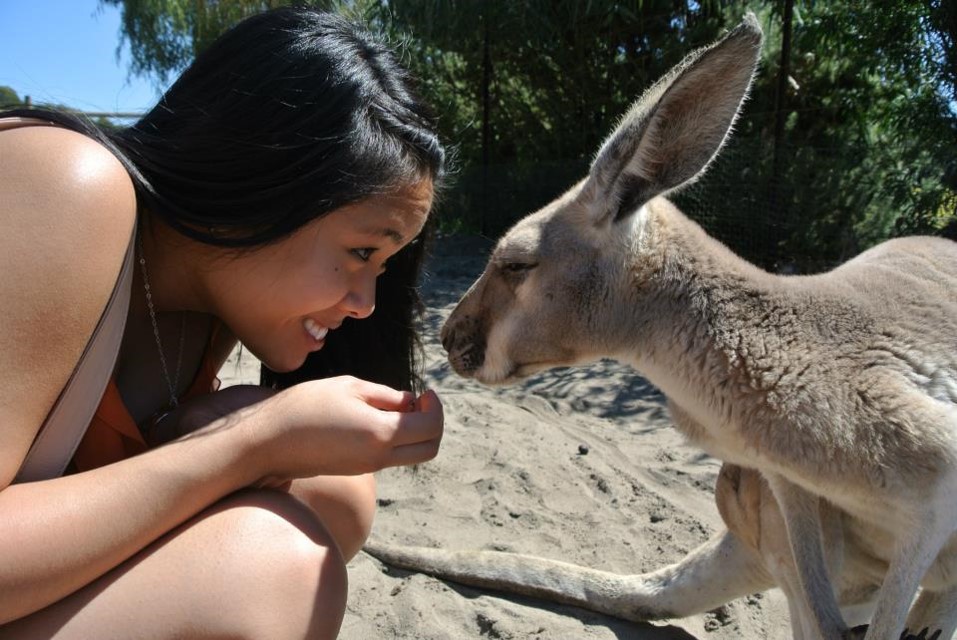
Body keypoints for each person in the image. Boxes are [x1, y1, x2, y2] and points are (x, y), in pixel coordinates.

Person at [0, 7, 445, 639]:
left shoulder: (214, 303)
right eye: (362, 252)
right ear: (266, 179)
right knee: (273, 567)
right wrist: (248, 442)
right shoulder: (68, 184)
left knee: (336, 495)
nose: (367, 303)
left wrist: (195, 425)